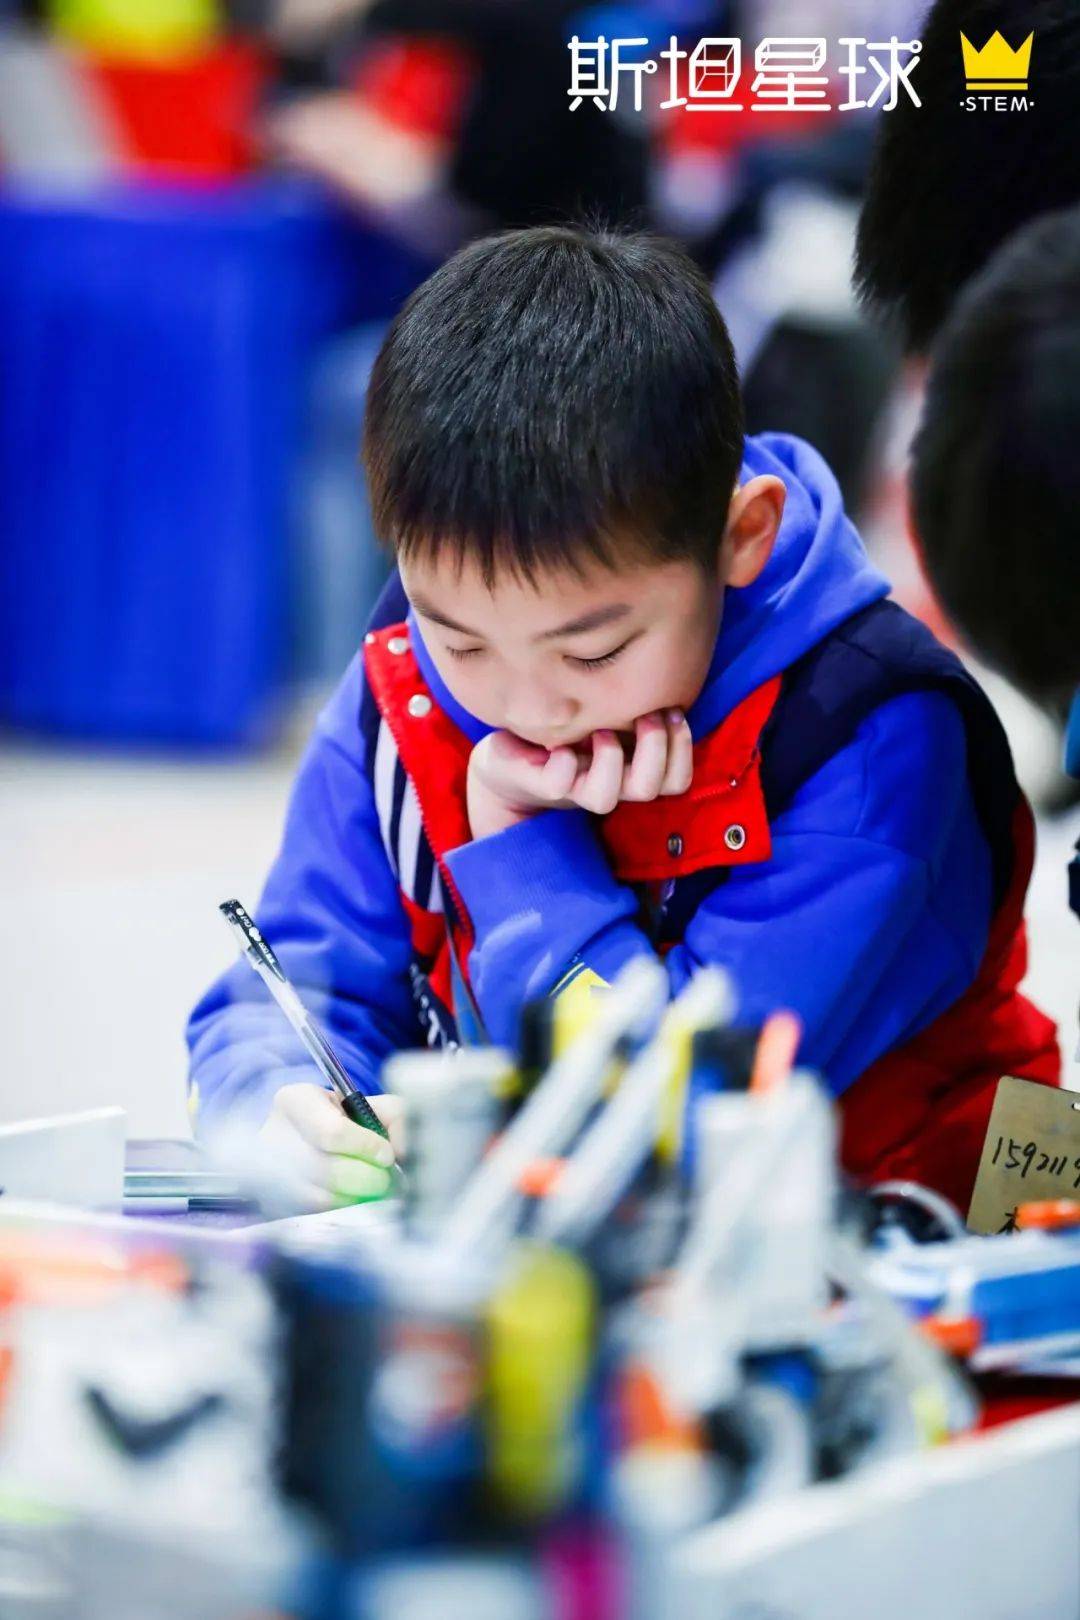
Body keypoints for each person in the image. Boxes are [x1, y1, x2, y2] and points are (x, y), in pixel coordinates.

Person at [186, 225, 1059, 1215]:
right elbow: (295, 987)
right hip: (536, 1252)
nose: (527, 708)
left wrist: (520, 848)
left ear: (742, 535)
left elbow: (669, 1122)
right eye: (462, 641)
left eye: (592, 653)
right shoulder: (407, 677)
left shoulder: (869, 739)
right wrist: (273, 1102)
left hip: (909, 1250)